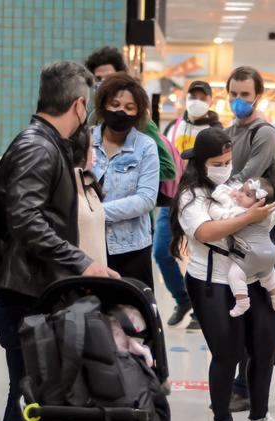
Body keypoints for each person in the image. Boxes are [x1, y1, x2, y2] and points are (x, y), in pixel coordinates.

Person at [0, 61, 119, 421]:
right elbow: (24, 218)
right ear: (80, 104)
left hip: (31, 291)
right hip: (22, 295)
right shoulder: (36, 147)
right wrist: (81, 262)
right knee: (26, 402)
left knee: (31, 399)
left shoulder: (43, 145)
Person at [170, 128, 275, 421]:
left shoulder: (232, 189)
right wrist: (249, 216)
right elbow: (206, 232)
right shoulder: (190, 196)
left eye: (228, 160)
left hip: (253, 276)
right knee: (227, 352)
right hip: (211, 283)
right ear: (200, 162)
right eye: (217, 162)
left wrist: (263, 213)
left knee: (264, 346)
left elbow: (261, 217)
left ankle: (259, 417)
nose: (225, 167)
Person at [224, 65, 275, 407]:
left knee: (250, 309)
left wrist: (215, 193)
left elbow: (247, 176)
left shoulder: (265, 133)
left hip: (258, 231)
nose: (239, 100)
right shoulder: (229, 131)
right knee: (245, 307)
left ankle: (245, 387)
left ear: (257, 95)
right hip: (233, 227)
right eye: (233, 94)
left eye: (245, 94)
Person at [159, 80, 222, 327]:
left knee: (202, 257)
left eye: (202, 96)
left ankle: (200, 309)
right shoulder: (173, 127)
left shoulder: (217, 131)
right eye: (192, 96)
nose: (196, 100)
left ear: (210, 100)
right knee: (161, 251)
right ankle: (182, 298)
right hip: (172, 199)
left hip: (202, 200)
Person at [91, 73, 160, 287]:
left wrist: (98, 213)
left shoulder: (146, 146)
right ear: (103, 105)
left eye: (129, 108)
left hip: (132, 248)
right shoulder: (84, 140)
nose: (121, 112)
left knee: (134, 315)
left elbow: (146, 199)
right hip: (89, 245)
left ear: (138, 112)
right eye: (115, 104)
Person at [85, 47, 176, 182]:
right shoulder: (94, 117)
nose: (103, 83)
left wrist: (128, 174)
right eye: (98, 78)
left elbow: (168, 169)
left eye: (109, 77)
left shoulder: (138, 120)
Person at [209, 178, 275, 317]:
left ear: (259, 203)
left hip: (250, 256)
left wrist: (224, 194)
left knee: (234, 275)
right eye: (241, 190)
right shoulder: (269, 214)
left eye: (248, 195)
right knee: (270, 278)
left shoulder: (240, 213)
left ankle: (242, 302)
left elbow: (220, 215)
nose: (241, 194)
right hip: (269, 254)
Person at [70, 121, 108, 268]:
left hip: (97, 277)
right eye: (91, 147)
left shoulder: (90, 186)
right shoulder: (65, 190)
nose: (95, 155)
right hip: (78, 278)